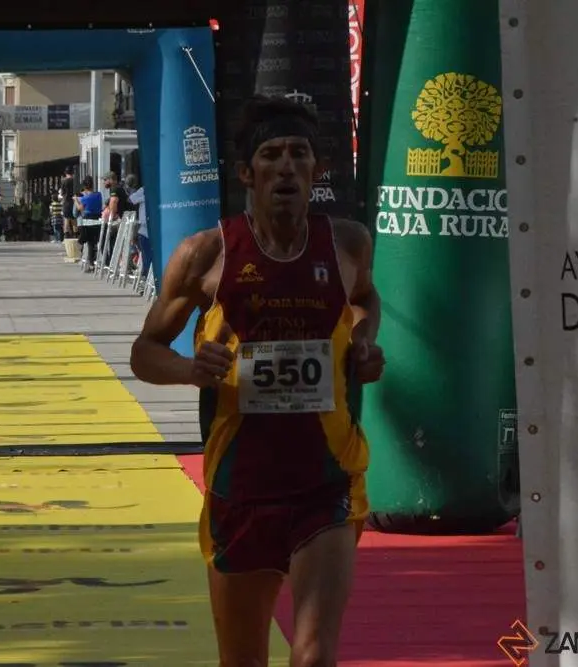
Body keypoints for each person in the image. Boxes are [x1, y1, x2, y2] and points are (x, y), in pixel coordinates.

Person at [129, 95, 384, 667]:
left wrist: (363, 342)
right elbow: (145, 352)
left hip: (329, 482)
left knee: (314, 658)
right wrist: (190, 370)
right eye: (271, 154)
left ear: (316, 171)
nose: (286, 166)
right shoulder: (206, 255)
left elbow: (366, 300)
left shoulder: (346, 245)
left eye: (299, 155)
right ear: (247, 173)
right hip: (239, 488)